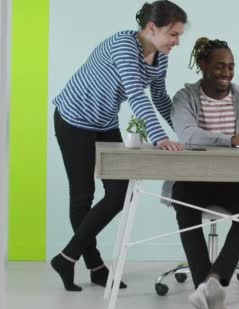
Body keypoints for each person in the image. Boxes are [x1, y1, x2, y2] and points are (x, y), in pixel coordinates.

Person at [50, 0, 187, 292]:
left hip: (103, 123)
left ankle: (67, 257)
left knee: (118, 193)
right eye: (173, 34)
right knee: (82, 196)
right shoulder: (124, 45)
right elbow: (137, 96)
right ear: (151, 28)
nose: (177, 41)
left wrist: (184, 132)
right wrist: (159, 137)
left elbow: (160, 98)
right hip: (73, 120)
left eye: (179, 35)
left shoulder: (160, 57)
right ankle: (94, 266)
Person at [166, 37, 239, 309]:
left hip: (233, 179)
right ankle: (207, 285)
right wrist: (231, 139)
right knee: (185, 207)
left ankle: (212, 282)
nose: (226, 73)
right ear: (203, 65)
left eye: (230, 67)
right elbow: (187, 134)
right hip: (192, 178)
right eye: (219, 66)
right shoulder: (185, 97)